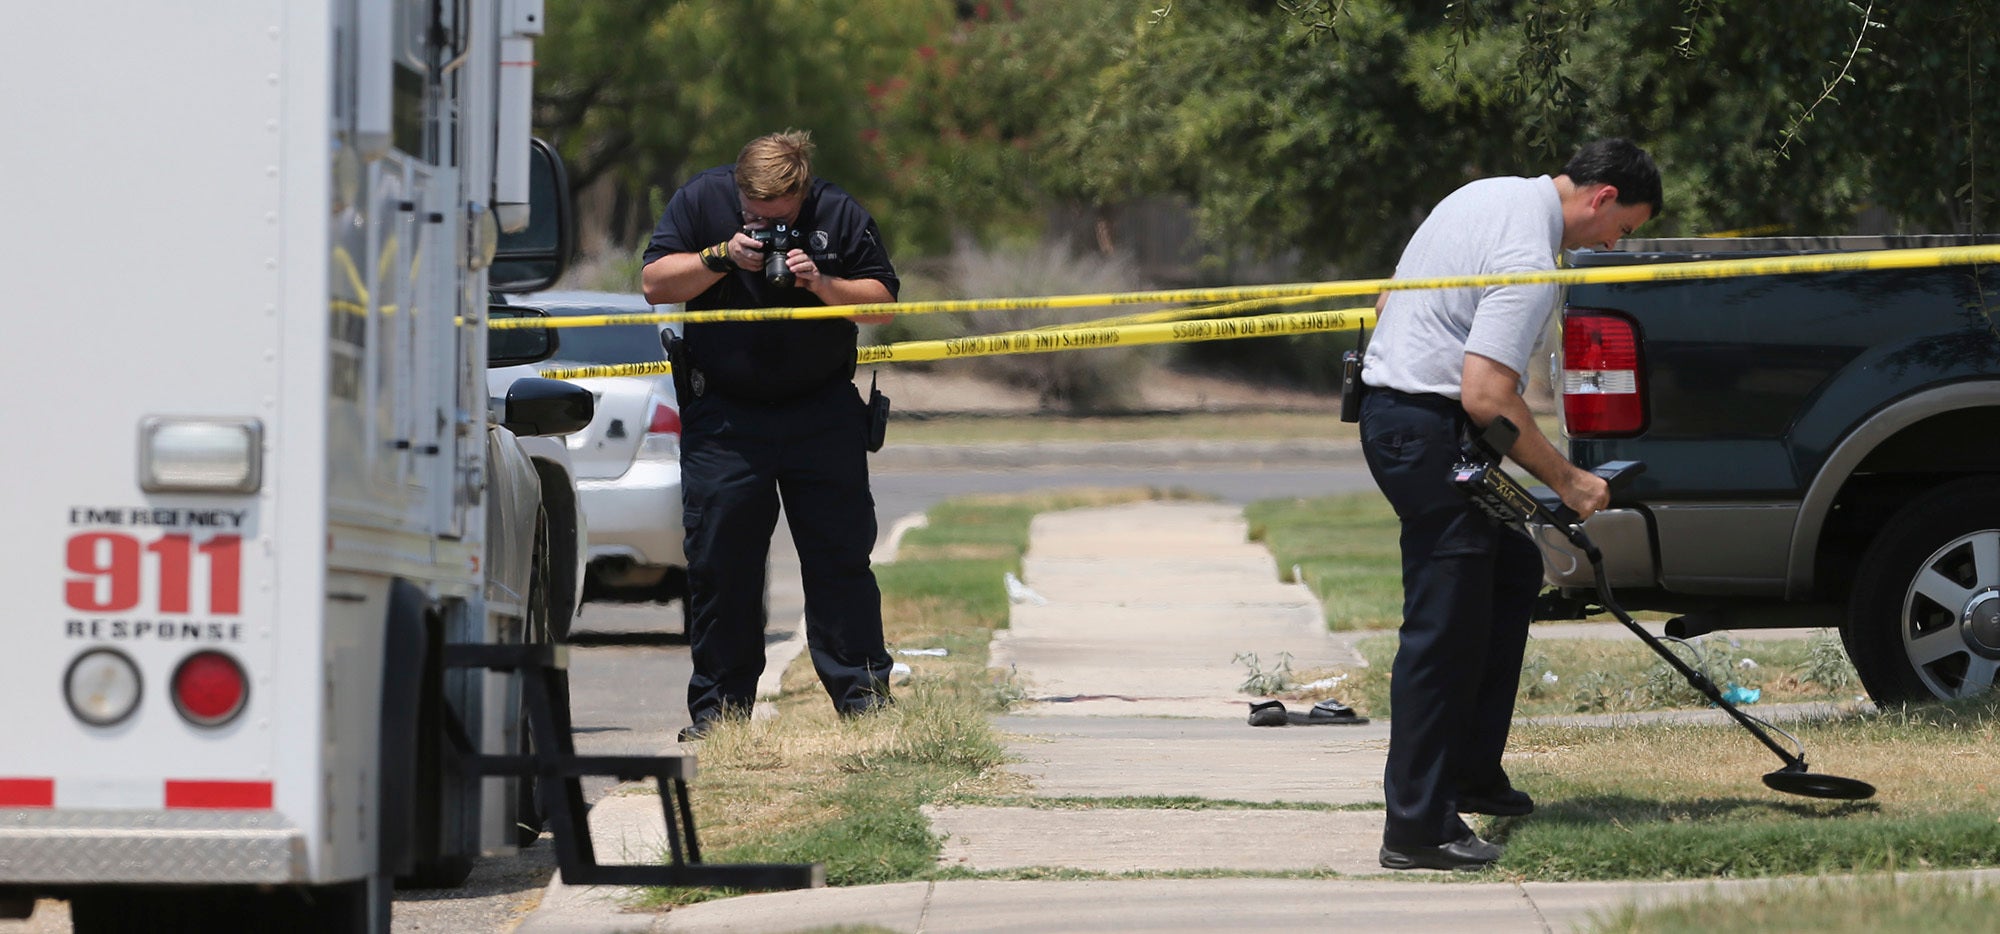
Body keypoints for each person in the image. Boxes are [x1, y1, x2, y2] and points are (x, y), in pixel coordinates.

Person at [1358, 138, 1663, 870]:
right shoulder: (1529, 255)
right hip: (1428, 432)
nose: (1614, 242)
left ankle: (1470, 773)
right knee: (1445, 622)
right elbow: (1487, 394)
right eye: (1623, 228)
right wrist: (1571, 482)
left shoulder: (1486, 191)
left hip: (1409, 419)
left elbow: (1385, 300)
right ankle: (1418, 827)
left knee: (1508, 568)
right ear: (1601, 198)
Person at [640, 129, 898, 740]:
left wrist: (821, 284)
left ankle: (864, 702)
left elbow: (883, 302)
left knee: (840, 562)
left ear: (801, 192)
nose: (763, 227)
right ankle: (720, 715)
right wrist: (719, 256)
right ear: (737, 190)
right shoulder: (702, 201)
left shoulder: (838, 212)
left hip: (822, 412)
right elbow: (654, 284)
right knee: (720, 565)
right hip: (726, 418)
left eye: (776, 218)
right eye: (752, 215)